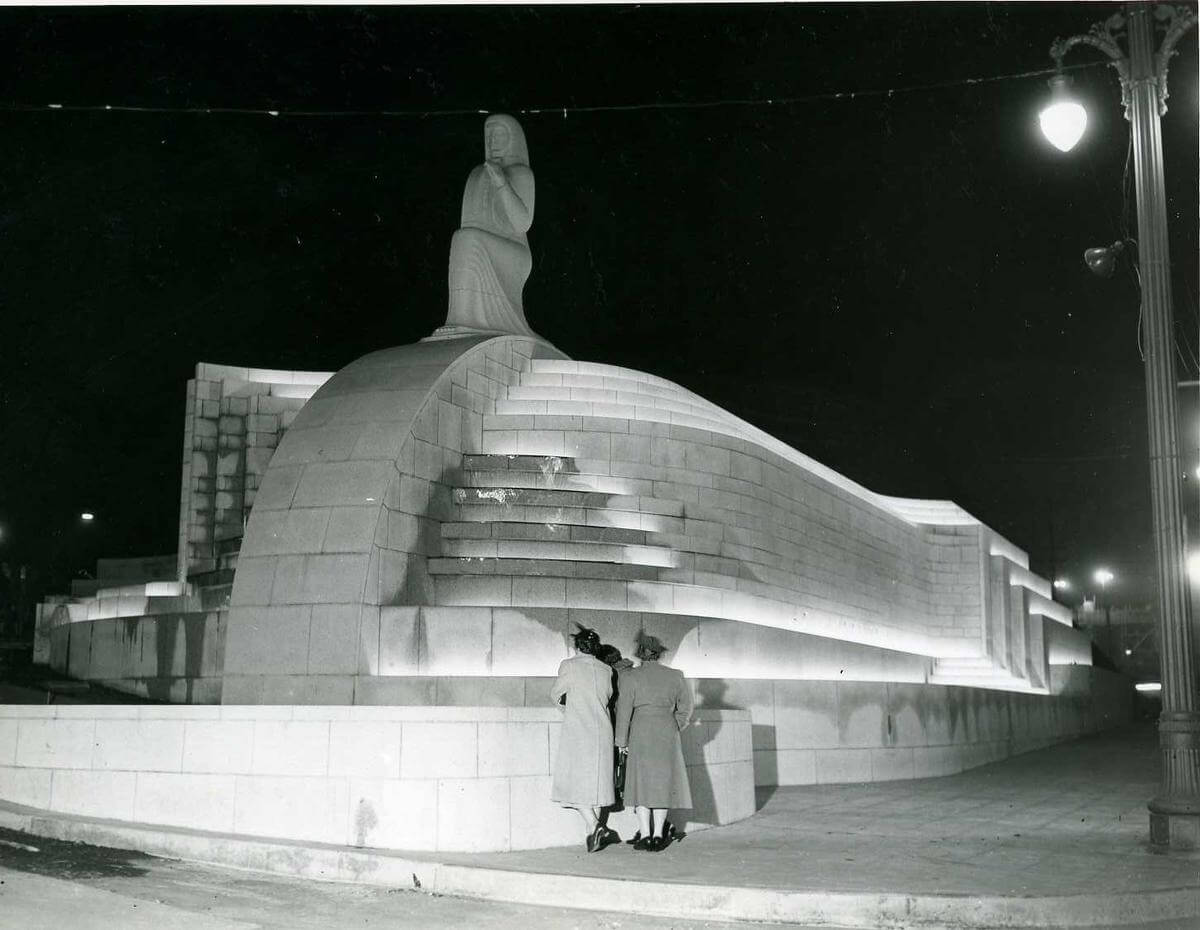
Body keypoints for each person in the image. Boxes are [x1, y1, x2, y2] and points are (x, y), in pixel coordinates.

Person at [445, 113, 537, 336]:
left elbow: (522, 223)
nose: (493, 142)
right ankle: (462, 318)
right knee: (462, 237)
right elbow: (469, 222)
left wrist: (501, 182)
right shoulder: (476, 175)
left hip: (514, 251)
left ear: (512, 139)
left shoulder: (522, 174)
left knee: (467, 239)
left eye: (499, 136)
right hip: (481, 241)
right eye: (489, 136)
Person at [614, 634, 694, 852]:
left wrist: (621, 740)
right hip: (666, 732)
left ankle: (645, 835)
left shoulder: (630, 677)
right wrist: (674, 725)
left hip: (640, 731)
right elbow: (685, 709)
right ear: (659, 653)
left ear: (640, 653)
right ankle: (659, 835)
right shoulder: (676, 676)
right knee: (662, 784)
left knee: (640, 784)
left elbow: (623, 712)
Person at [550, 625, 616, 852]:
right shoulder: (607, 669)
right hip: (604, 731)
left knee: (573, 784)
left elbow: (556, 695)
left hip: (579, 732)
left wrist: (571, 708)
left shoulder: (569, 666)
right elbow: (606, 696)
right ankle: (593, 836)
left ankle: (595, 826)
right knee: (597, 787)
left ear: (577, 646)